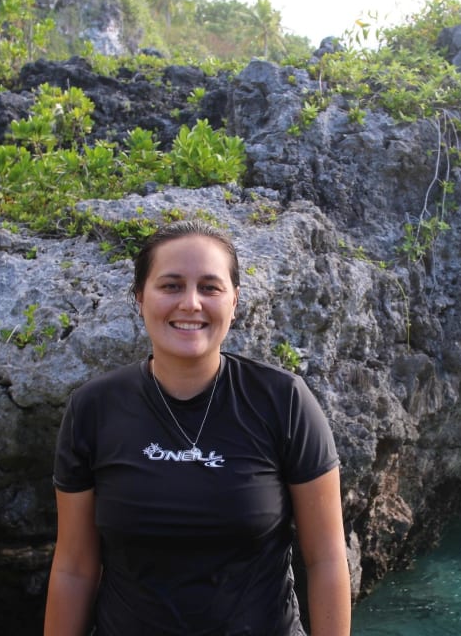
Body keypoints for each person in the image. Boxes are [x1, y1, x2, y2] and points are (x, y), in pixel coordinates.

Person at [44, 219, 351, 635]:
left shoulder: (283, 401)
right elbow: (75, 567)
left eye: (210, 287)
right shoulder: (95, 408)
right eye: (171, 285)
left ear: (235, 301)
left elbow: (327, 558)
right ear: (140, 298)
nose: (190, 303)